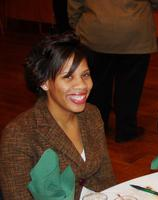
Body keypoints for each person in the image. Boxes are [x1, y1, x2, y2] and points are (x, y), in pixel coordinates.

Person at [0, 33, 115, 199]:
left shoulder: (91, 114)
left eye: (85, 75)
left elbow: (106, 178)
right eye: (68, 77)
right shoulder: (19, 135)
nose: (82, 85)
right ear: (44, 82)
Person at [68, 0, 158, 142]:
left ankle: (97, 127)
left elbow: (74, 5)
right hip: (134, 33)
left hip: (95, 33)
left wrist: (77, 26)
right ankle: (126, 130)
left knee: (96, 86)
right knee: (130, 87)